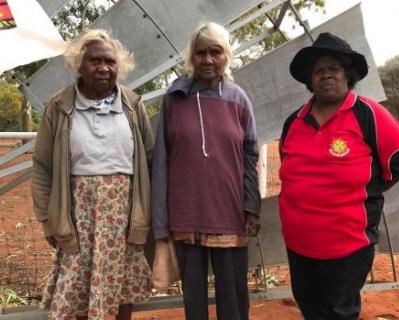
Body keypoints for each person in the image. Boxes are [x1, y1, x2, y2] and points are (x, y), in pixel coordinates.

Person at [278, 32, 399, 320]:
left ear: (347, 75)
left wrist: (359, 195)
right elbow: (289, 170)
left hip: (347, 245)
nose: (326, 76)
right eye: (319, 70)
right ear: (309, 79)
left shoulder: (370, 115)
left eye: (334, 69)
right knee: (310, 307)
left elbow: (396, 166)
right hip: (299, 244)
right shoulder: (294, 122)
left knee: (339, 312)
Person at [32, 29, 154, 320]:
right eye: (94, 61)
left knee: (123, 288)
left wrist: (146, 213)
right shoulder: (59, 107)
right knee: (77, 290)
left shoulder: (132, 105)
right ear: (79, 65)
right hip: (78, 218)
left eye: (110, 62)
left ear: (119, 66)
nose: (103, 68)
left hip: (123, 217)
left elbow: (149, 159)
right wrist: (48, 220)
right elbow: (43, 166)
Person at [150, 22, 261, 320]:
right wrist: (161, 222)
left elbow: (251, 155)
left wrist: (252, 205)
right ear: (191, 57)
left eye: (216, 52)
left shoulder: (238, 99)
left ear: (227, 56)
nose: (208, 60)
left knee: (234, 300)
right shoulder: (175, 99)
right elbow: (161, 160)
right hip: (187, 214)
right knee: (194, 302)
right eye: (201, 53)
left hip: (231, 213)